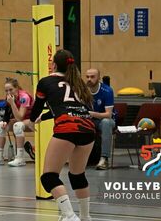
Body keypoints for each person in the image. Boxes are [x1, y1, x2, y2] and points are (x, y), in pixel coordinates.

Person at [25, 49, 95, 221]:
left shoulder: (46, 82)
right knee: (77, 175)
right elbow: (70, 106)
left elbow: (38, 107)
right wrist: (44, 117)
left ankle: (69, 215)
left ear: (54, 65)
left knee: (49, 177)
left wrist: (31, 121)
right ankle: (85, 217)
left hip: (67, 128)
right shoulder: (78, 82)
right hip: (88, 129)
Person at [0, 77, 34, 167]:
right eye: (6, 91)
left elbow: (20, 118)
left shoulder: (24, 97)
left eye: (11, 90)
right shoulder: (10, 97)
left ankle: (20, 158)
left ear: (17, 88)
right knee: (0, 126)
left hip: (33, 120)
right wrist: (5, 121)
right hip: (22, 120)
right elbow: (7, 112)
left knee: (17, 125)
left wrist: (12, 103)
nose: (8, 93)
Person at [84, 68, 115, 170]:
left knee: (106, 123)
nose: (89, 79)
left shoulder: (107, 91)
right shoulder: (82, 91)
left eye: (92, 77)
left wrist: (91, 114)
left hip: (104, 120)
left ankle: (104, 159)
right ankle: (79, 157)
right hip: (89, 120)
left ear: (98, 78)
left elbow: (108, 115)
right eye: (87, 77)